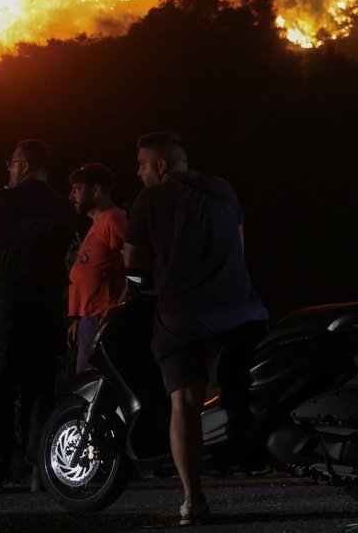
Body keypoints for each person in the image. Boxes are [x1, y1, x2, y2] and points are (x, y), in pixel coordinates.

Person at [122, 131, 267, 526]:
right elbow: (238, 245)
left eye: (142, 165)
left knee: (183, 403)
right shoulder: (222, 189)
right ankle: (244, 441)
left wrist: (132, 293)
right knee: (240, 381)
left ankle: (193, 499)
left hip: (185, 314)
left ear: (161, 166)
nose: (138, 173)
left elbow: (133, 261)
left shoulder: (150, 199)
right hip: (244, 310)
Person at [0, 139, 74, 495]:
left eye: (11, 163)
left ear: (23, 166)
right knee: (39, 390)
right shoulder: (61, 205)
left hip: (1, 305)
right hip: (43, 307)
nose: (9, 170)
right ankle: (40, 473)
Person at [66, 162, 127, 372]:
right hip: (90, 318)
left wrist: (117, 308)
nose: (71, 195)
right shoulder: (97, 224)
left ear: (96, 189)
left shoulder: (114, 220)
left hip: (103, 317)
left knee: (95, 385)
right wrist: (78, 318)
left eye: (78, 188)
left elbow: (136, 265)